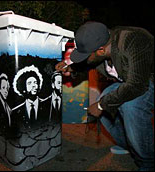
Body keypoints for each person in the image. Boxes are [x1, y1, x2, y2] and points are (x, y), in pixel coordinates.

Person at [55, 22, 154, 171]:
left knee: (130, 105)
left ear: (101, 50)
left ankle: (148, 161)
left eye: (86, 55)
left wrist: (102, 104)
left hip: (146, 81)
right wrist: (71, 68)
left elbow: (137, 86)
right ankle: (130, 146)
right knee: (106, 96)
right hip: (132, 83)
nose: (85, 58)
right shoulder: (101, 41)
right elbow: (89, 64)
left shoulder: (134, 40)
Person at [11, 65, 47, 132]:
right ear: (23, 87)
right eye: (29, 83)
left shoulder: (47, 106)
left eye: (35, 82)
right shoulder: (16, 111)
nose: (34, 85)